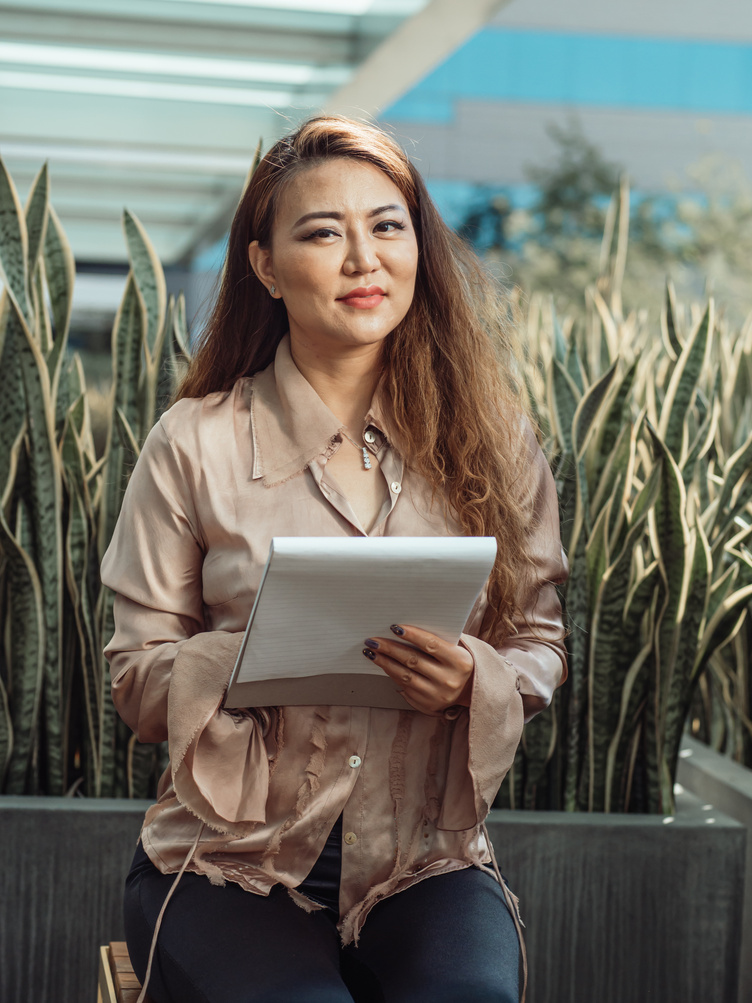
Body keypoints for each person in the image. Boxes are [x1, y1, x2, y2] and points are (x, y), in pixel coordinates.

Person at [100, 115, 568, 1003]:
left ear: (417, 248)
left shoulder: (496, 442)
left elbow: (540, 641)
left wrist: (476, 679)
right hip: (227, 860)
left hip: (426, 863)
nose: (364, 259)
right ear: (265, 266)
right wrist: (257, 657)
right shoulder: (193, 444)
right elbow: (136, 680)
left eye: (387, 226)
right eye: (324, 232)